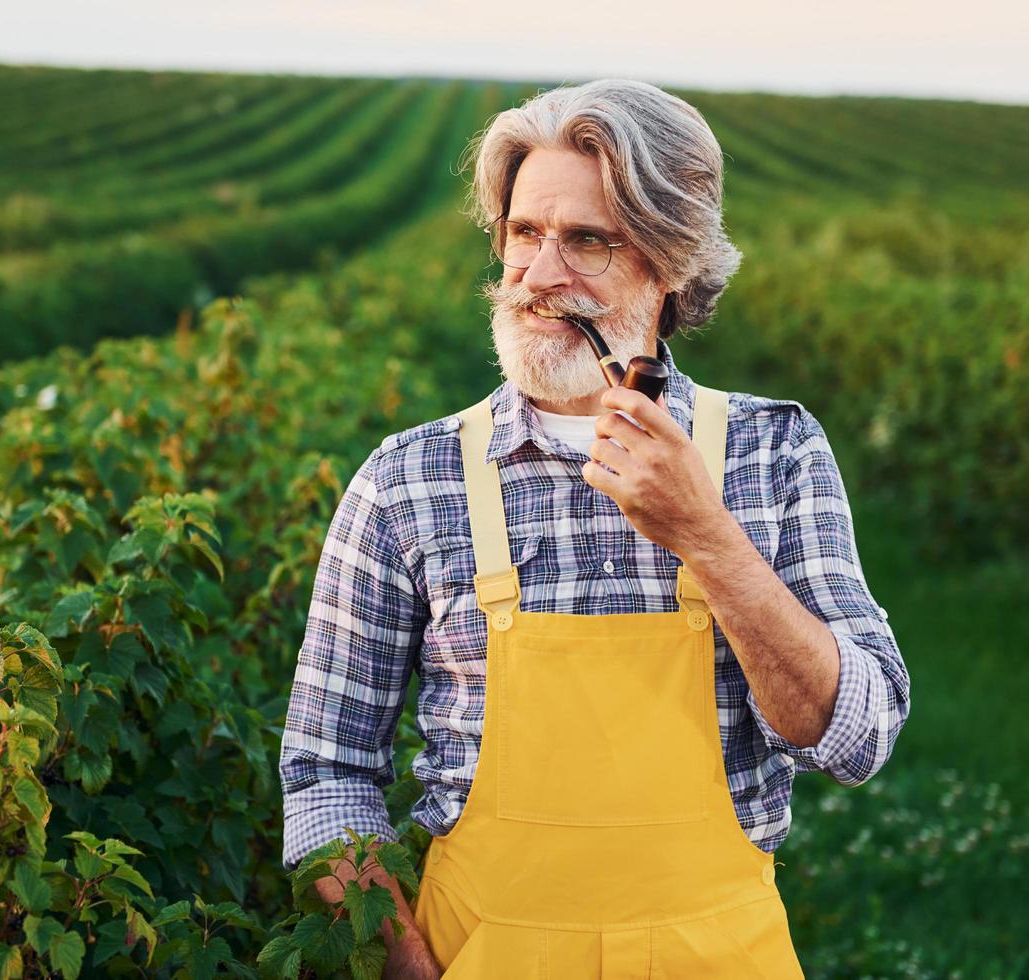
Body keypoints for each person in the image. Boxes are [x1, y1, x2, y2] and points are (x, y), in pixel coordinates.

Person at [278, 78, 910, 978]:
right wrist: (406, 968)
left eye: (586, 241)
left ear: (671, 261)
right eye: (523, 233)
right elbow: (326, 772)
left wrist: (706, 535)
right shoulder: (407, 481)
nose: (538, 276)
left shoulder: (774, 453)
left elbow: (857, 738)